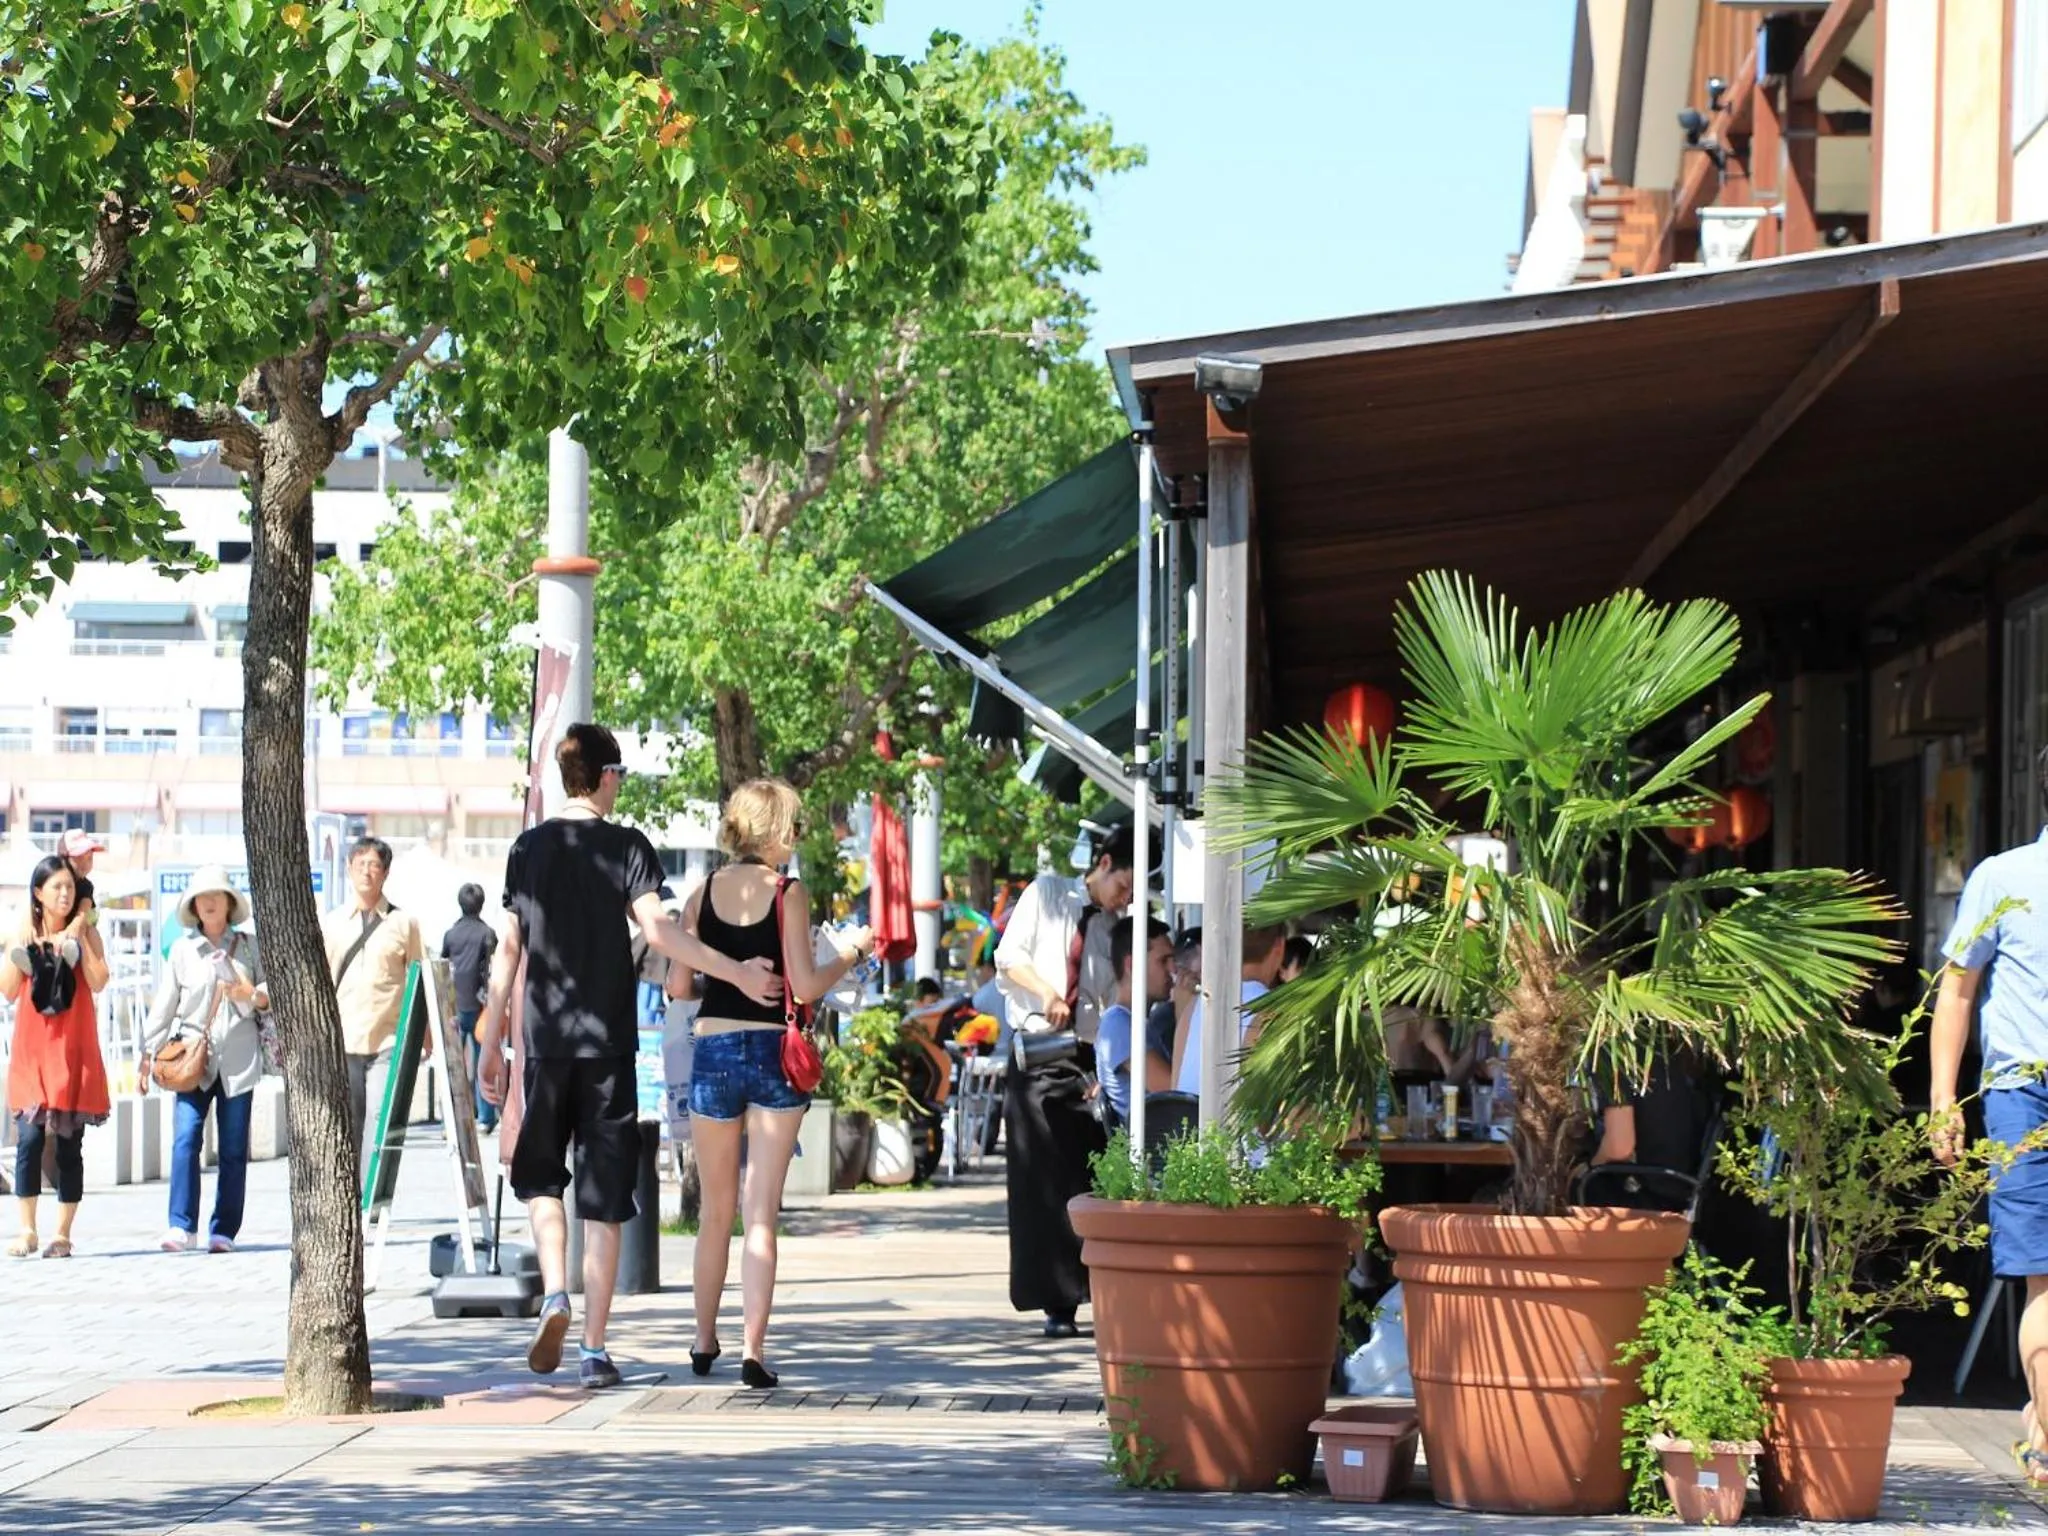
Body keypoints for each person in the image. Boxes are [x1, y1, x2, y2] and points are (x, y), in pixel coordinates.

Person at [478, 725, 790, 1391]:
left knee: (539, 1179)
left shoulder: (525, 849)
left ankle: (555, 1292)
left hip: (540, 1041)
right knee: (605, 1196)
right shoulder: (627, 847)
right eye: (619, 771)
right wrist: (733, 972)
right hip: (610, 1044)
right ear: (605, 775)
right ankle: (593, 1347)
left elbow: (508, 948)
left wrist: (489, 1037)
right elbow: (658, 932)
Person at [678, 779, 874, 1389]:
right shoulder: (788, 893)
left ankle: (702, 1338)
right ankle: (752, 1350)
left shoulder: (700, 894)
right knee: (760, 1213)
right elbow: (808, 987)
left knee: (715, 1212)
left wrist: (726, 973)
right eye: (793, 826)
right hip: (771, 1050)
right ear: (774, 831)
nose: (798, 838)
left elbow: (678, 987)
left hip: (711, 1047)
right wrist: (853, 951)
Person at [1931, 757, 2048, 1481]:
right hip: (2021, 1094)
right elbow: (1957, 991)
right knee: (2044, 1277)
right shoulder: (2002, 878)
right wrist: (1945, 1099)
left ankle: (2040, 1416)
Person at [994, 824, 1135, 1337]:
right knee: (1040, 1183)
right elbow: (1008, 960)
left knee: (1084, 1175)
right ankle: (1054, 1301)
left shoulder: (1114, 928)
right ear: (1103, 865)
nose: (1125, 897)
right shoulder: (1048, 892)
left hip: (1081, 1060)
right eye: (1123, 885)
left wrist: (1101, 1066)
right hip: (1036, 1049)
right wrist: (1049, 993)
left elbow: (1105, 1003)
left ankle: (1087, 1290)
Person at [144, 866, 269, 1253]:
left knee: (233, 1148)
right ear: (194, 907)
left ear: (230, 903)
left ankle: (224, 1229)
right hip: (193, 1056)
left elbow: (269, 995)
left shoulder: (250, 946)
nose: (210, 902)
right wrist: (149, 1052)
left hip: (239, 1056)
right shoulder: (182, 951)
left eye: (217, 895)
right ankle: (181, 1224)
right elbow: (165, 1005)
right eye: (202, 897)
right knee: (185, 1138)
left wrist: (250, 993)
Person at [3, 857, 111, 1258]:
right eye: (56, 888)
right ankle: (27, 1230)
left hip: (73, 1051)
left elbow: (99, 981)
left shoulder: (87, 931)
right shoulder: (25, 928)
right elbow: (8, 990)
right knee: (29, 1140)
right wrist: (21, 946)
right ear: (38, 893)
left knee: (68, 1145)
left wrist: (80, 937)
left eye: (69, 887)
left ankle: (62, 1233)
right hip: (33, 1051)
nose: (64, 894)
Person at [322, 836, 425, 1180]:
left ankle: (369, 1203)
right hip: (344, 1039)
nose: (367, 872)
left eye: (375, 865)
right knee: (349, 1124)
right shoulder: (332, 923)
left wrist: (425, 1039)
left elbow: (419, 981)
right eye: (361, 864)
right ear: (349, 869)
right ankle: (349, 1197)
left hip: (387, 1041)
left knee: (379, 1124)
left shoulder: (404, 924)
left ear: (385, 873)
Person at [1174, 923, 1287, 1100]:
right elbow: (1261, 1116)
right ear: (1280, 947)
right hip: (1233, 1126)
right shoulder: (1272, 1013)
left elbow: (1176, 1091)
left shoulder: (1192, 1008)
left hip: (1183, 1125)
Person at [1095, 917, 1173, 1130]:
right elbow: (1173, 1092)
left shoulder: (1136, 1022)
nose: (1172, 969)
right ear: (1132, 965)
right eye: (1163, 960)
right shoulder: (1119, 1025)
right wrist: (1185, 1011)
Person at [441, 884, 500, 1134]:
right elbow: (493, 968)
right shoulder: (487, 933)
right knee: (482, 1060)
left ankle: (454, 1118)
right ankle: (485, 1117)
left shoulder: (451, 934)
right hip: (480, 1006)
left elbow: (445, 962)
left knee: (455, 1064)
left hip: (455, 1004)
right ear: (482, 904)